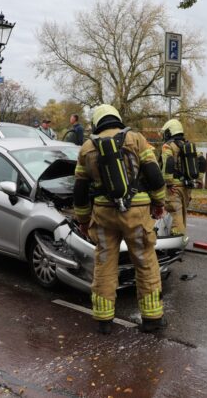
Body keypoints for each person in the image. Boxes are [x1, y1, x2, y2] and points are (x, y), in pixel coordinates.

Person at [74, 104, 168, 335]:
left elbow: (79, 189)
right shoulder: (136, 139)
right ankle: (152, 319)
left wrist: (83, 220)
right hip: (137, 214)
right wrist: (158, 204)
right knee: (145, 262)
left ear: (97, 123)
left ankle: (104, 320)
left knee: (104, 264)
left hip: (104, 215)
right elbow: (155, 177)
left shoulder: (87, 148)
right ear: (117, 119)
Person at [160, 119, 192, 237]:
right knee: (182, 213)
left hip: (173, 187)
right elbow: (202, 162)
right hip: (187, 186)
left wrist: (168, 183)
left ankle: (178, 241)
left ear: (169, 132)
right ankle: (181, 237)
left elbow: (168, 163)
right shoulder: (188, 145)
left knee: (174, 214)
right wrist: (198, 180)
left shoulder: (168, 146)